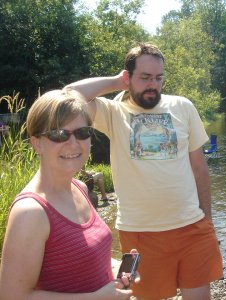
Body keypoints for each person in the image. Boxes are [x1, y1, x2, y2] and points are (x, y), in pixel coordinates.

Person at [64, 42, 223, 300]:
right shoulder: (113, 112)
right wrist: (117, 81)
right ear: (128, 77)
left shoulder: (183, 106)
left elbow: (199, 167)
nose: (153, 85)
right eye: (145, 77)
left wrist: (208, 219)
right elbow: (68, 96)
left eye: (159, 78)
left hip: (192, 227)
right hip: (138, 233)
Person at [0, 90, 137, 300]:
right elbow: (13, 296)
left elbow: (77, 259)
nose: (73, 143)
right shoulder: (31, 212)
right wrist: (98, 298)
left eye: (82, 132)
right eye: (59, 134)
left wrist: (114, 267)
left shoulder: (80, 188)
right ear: (37, 143)